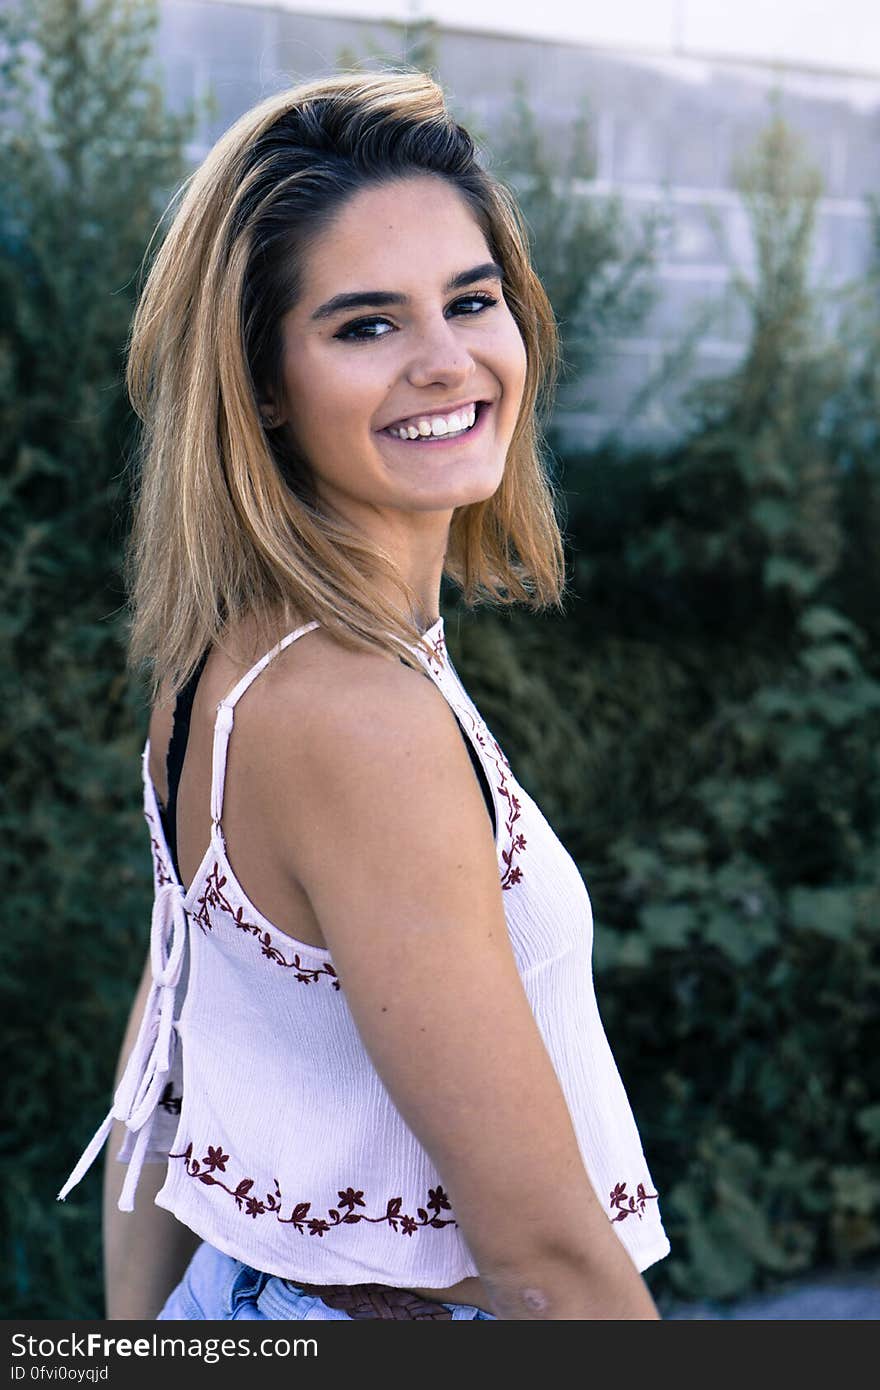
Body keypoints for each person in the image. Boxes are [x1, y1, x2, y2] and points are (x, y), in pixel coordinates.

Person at [57, 69, 670, 1321]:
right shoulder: (353, 716)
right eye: (367, 324)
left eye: (471, 300)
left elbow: (169, 1040)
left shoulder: (236, 661)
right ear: (264, 388)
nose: (449, 362)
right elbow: (542, 1257)